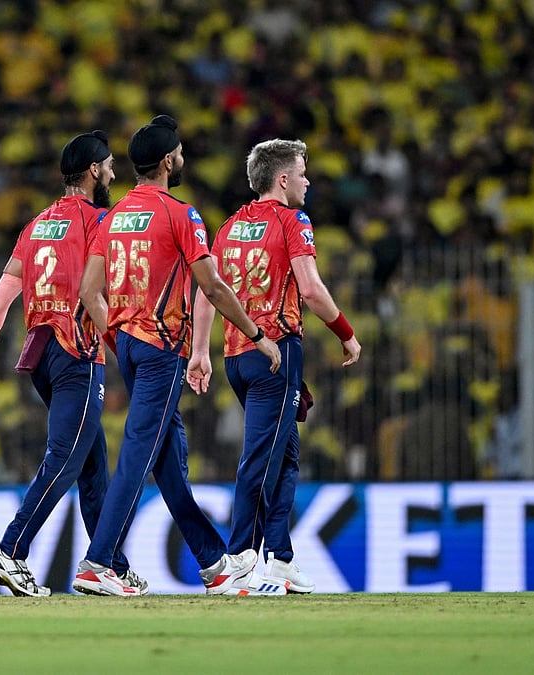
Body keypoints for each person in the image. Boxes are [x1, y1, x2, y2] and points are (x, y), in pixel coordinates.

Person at [72, 115, 284, 597]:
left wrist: (119, 337)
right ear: (168, 161)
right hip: (160, 347)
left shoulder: (115, 215)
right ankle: (97, 562)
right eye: (181, 152)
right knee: (138, 454)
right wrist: (256, 333)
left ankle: (214, 563)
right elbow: (211, 284)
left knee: (169, 464)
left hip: (127, 344)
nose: (184, 158)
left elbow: (89, 291)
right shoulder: (180, 214)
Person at [0, 130, 146, 597]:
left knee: (93, 465)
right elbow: (98, 292)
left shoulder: (38, 224)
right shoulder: (101, 220)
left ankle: (108, 565)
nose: (115, 173)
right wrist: (127, 346)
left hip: (41, 353)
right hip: (78, 352)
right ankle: (10, 552)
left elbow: (2, 295)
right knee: (65, 458)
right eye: (111, 165)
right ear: (94, 170)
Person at [210, 138, 361, 593]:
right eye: (301, 171)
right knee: (262, 455)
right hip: (277, 352)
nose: (307, 179)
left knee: (286, 454)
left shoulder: (231, 226)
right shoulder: (293, 220)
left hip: (236, 354)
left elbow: (207, 290)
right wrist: (347, 333)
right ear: (282, 179)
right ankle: (239, 556)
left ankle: (279, 558)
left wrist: (200, 351)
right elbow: (311, 290)